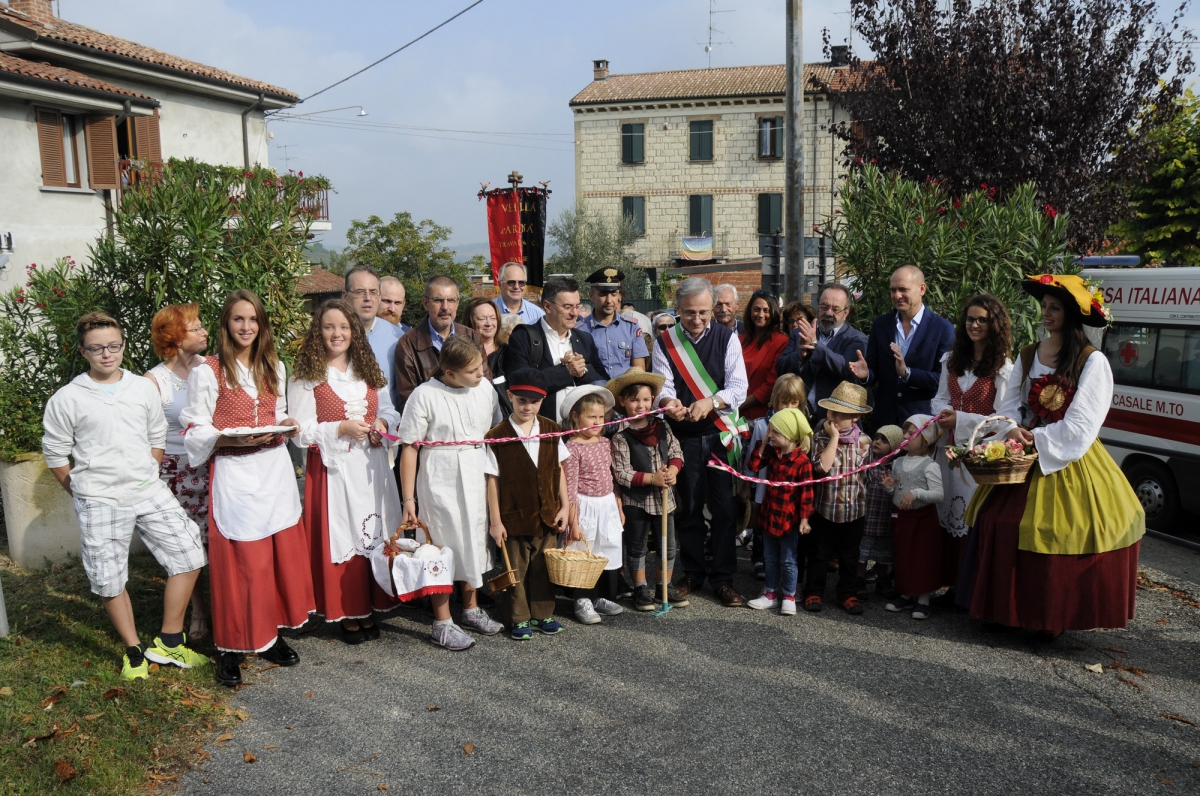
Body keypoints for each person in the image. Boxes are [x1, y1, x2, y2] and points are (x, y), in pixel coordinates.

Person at [959, 275, 1144, 636]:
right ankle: (1001, 610)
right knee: (996, 521)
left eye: (1055, 308)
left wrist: (1037, 439)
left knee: (1056, 529)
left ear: (1072, 314)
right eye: (1044, 306)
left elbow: (1082, 423)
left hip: (1066, 456)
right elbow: (1009, 405)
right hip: (1021, 453)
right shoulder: (1029, 353)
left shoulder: (1092, 362)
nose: (1046, 313)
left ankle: (1047, 619)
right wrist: (1012, 429)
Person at [43, 311, 208, 680]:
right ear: (83, 351)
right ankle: (134, 650)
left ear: (123, 345)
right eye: (97, 348)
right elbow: (55, 454)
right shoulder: (67, 398)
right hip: (98, 498)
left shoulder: (141, 388)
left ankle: (168, 640)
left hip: (147, 489)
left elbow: (156, 435)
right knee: (109, 577)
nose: (107, 354)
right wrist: (82, 491)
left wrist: (148, 471)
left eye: (113, 346)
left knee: (189, 554)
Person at [181, 290, 314, 688]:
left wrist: (287, 423)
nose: (246, 327)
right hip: (235, 472)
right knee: (242, 562)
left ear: (262, 325)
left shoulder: (274, 365)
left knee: (273, 556)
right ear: (226, 324)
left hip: (273, 469)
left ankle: (270, 635)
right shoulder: (208, 371)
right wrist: (227, 439)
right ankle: (231, 646)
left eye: (253, 319)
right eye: (238, 319)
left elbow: (276, 413)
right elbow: (194, 428)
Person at [289, 301, 402, 645]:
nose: (336, 334)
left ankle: (372, 604)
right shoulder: (306, 376)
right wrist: (340, 427)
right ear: (317, 332)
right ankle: (349, 610)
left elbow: (389, 410)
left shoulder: (367, 369)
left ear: (353, 331)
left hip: (372, 467)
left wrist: (382, 424)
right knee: (344, 536)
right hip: (334, 471)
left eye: (343, 327)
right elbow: (299, 431)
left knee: (375, 531)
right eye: (329, 327)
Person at [398, 336, 505, 649]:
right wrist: (408, 499)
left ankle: (470, 608)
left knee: (473, 540)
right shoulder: (424, 395)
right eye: (472, 371)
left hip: (476, 473)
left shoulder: (484, 389)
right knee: (441, 545)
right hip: (440, 479)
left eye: (481, 367)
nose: (480, 374)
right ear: (450, 373)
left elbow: (494, 429)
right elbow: (410, 448)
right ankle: (442, 621)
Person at [653, 277, 749, 608]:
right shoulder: (666, 341)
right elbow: (663, 386)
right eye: (690, 312)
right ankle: (692, 573)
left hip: (719, 434)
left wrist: (711, 401)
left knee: (724, 508)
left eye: (704, 312)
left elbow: (738, 387)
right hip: (684, 437)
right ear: (677, 309)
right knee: (690, 507)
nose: (697, 319)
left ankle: (723, 579)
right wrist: (669, 403)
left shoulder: (727, 337)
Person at [930, 295, 1013, 590]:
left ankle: (968, 591)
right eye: (970, 319)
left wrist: (961, 420)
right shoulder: (952, 359)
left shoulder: (1003, 367)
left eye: (982, 320)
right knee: (945, 511)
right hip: (948, 449)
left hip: (979, 456)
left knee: (970, 517)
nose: (974, 325)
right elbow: (941, 397)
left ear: (995, 325)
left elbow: (1004, 417)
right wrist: (943, 414)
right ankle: (947, 583)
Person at [484, 368, 572, 640]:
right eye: (522, 400)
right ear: (510, 396)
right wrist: (495, 521)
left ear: (543, 400)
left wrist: (565, 506)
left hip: (547, 513)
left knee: (543, 567)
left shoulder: (551, 429)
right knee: (516, 570)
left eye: (534, 401)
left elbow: (558, 469)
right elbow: (492, 480)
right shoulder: (497, 435)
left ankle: (543, 613)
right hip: (513, 516)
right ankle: (519, 618)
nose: (527, 406)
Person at [145, 303, 212, 640]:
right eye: (195, 327)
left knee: (218, 539)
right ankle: (199, 610)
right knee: (188, 543)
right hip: (175, 470)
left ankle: (227, 605)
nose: (204, 332)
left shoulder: (212, 368)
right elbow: (146, 434)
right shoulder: (154, 381)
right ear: (173, 336)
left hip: (213, 463)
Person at [608, 368, 687, 611]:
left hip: (664, 499)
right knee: (637, 546)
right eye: (634, 400)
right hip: (637, 500)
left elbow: (676, 452)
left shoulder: (662, 426)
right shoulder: (620, 435)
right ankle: (640, 588)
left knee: (668, 545)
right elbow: (621, 472)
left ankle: (664, 586)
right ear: (622, 401)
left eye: (645, 399)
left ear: (652, 399)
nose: (640, 405)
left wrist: (672, 470)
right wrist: (652, 478)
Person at [848, 266, 955, 429]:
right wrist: (866, 374)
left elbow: (943, 380)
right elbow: (874, 371)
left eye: (903, 289)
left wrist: (908, 374)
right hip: (885, 422)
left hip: (921, 424)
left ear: (922, 289)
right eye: (893, 290)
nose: (897, 296)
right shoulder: (881, 325)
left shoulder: (942, 329)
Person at [803, 381, 872, 615]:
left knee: (849, 555)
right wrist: (833, 437)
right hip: (825, 508)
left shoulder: (865, 442)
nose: (832, 416)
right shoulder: (820, 438)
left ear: (855, 417)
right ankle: (814, 591)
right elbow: (821, 468)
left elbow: (868, 476)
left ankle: (848, 593)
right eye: (830, 410)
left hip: (854, 510)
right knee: (819, 553)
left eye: (839, 413)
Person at [560, 385, 625, 624]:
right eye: (591, 417)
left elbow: (611, 476)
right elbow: (570, 486)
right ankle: (582, 599)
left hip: (606, 504)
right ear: (576, 417)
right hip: (584, 505)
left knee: (605, 550)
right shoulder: (572, 447)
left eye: (600, 417)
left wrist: (618, 505)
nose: (597, 422)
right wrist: (573, 522)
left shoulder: (605, 442)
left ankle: (598, 597)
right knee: (584, 553)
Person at [503, 274, 609, 421]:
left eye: (577, 306)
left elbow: (603, 383)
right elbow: (519, 384)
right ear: (547, 306)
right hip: (542, 427)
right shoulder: (524, 337)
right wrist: (565, 371)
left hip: (581, 431)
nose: (574, 313)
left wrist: (582, 370)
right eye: (567, 307)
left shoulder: (585, 339)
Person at [744, 408, 815, 616]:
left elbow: (807, 493)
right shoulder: (772, 453)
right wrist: (764, 443)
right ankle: (770, 593)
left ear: (789, 434)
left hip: (788, 520)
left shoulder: (802, 461)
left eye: (775, 432)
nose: (770, 434)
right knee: (770, 557)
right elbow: (753, 465)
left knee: (789, 559)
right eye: (770, 431)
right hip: (770, 516)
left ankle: (789, 595)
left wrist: (804, 519)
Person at [742, 373, 810, 580]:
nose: (788, 407)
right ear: (774, 401)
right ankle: (760, 559)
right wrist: (746, 485)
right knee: (763, 524)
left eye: (794, 403)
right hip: (766, 488)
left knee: (789, 535)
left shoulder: (801, 425)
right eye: (784, 402)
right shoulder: (763, 425)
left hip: (789, 496)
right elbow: (752, 459)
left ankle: (789, 574)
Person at [882, 415, 945, 620]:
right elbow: (898, 491)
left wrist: (917, 493)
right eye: (905, 432)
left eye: (912, 433)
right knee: (903, 555)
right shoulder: (898, 462)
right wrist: (890, 488)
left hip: (923, 519)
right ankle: (905, 594)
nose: (905, 436)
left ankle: (924, 599)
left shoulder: (930, 465)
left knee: (922, 557)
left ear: (925, 439)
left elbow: (939, 494)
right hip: (902, 518)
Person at [776, 284, 869, 421]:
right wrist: (800, 356)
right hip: (798, 416)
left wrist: (815, 345)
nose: (829, 313)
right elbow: (780, 368)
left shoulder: (856, 339)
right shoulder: (799, 333)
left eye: (835, 309)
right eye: (824, 307)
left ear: (846, 312)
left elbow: (845, 367)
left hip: (835, 420)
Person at [394, 276, 488, 410]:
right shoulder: (408, 344)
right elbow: (409, 401)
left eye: (451, 300)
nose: (445, 307)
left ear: (458, 303)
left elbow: (484, 385)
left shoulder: (472, 337)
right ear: (425, 303)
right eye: (438, 300)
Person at [857, 424, 905, 601]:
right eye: (876, 437)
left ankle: (883, 581)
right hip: (867, 516)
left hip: (885, 517)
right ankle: (859, 581)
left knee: (884, 553)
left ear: (895, 446)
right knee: (862, 553)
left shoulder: (895, 469)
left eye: (884, 440)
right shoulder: (867, 465)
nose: (877, 442)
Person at [344, 266, 404, 407]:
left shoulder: (399, 339)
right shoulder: (330, 338)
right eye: (360, 292)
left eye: (373, 292)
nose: (368, 298)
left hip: (385, 419)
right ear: (345, 296)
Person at [579, 267, 649, 378]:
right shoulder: (580, 330)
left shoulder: (631, 327)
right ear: (592, 296)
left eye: (613, 294)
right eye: (603, 294)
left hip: (626, 388)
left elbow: (639, 372)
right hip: (594, 388)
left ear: (619, 296)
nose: (609, 300)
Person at [739, 289, 790, 421]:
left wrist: (737, 405)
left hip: (761, 415)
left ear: (773, 312)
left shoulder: (781, 342)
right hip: (735, 414)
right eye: (756, 309)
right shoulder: (739, 339)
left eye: (766, 310)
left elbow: (771, 385)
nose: (761, 315)